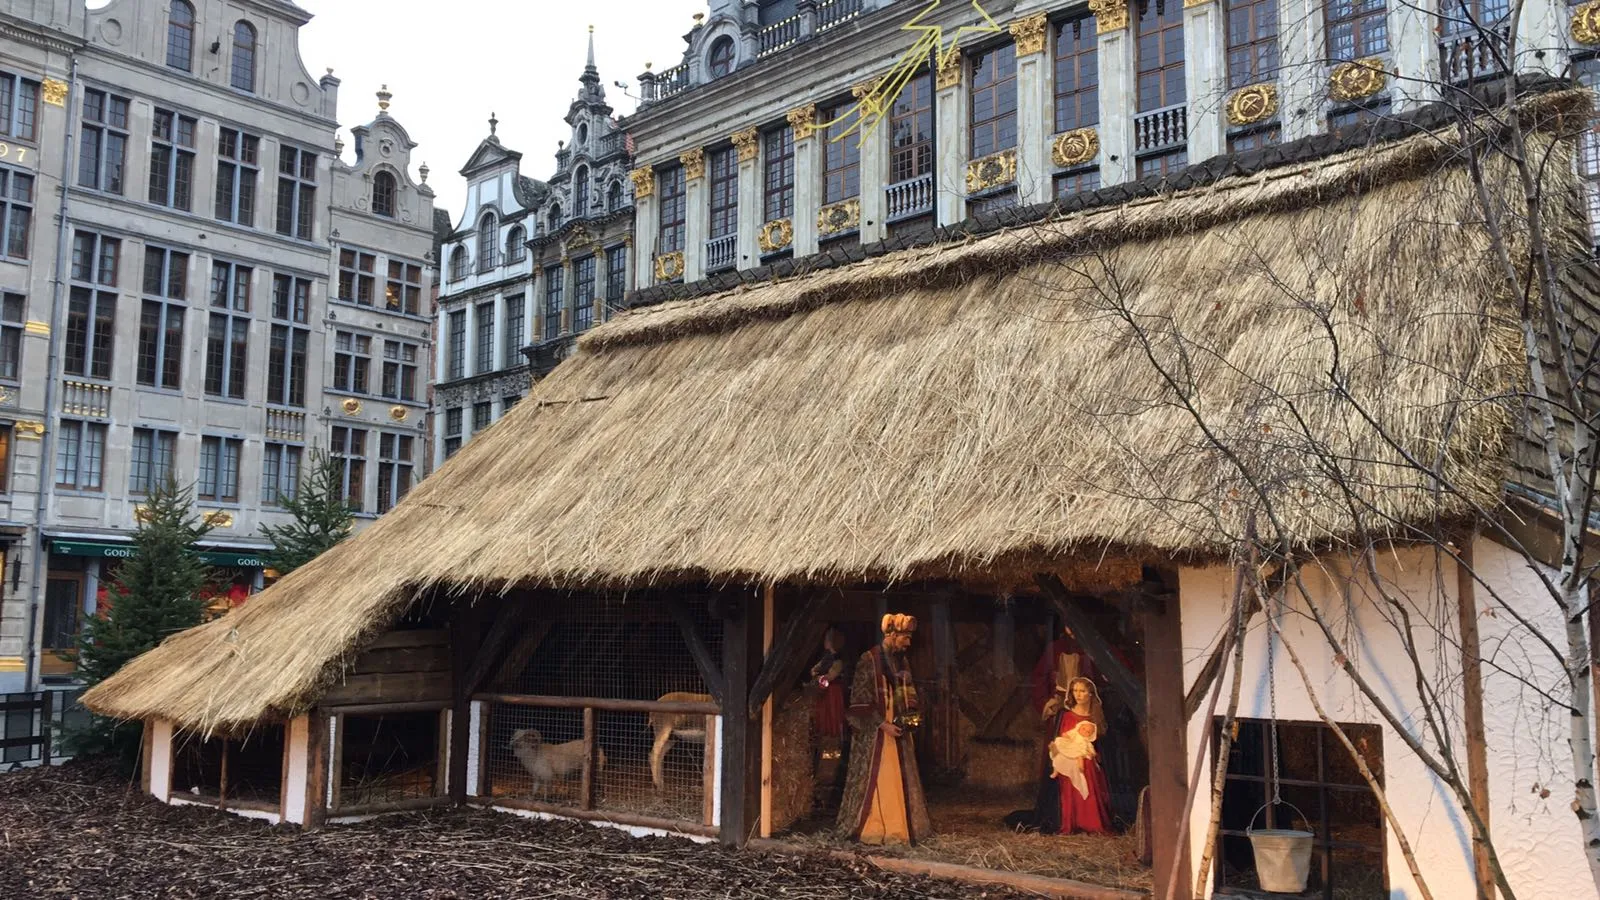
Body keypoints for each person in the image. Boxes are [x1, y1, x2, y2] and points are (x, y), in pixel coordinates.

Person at [836, 614, 932, 845]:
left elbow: (906, 693)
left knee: (899, 781)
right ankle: (873, 828)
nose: (908, 643)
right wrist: (882, 724)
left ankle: (899, 828)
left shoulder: (901, 661)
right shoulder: (869, 659)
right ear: (892, 635)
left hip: (897, 731)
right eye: (905, 638)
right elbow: (859, 698)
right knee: (878, 780)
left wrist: (908, 710)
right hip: (876, 734)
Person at [1044, 677, 1112, 834]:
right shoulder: (1066, 716)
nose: (1078, 695)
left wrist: (1092, 754)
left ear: (1090, 693)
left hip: (1087, 755)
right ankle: (1071, 822)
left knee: (1088, 767)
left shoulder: (1095, 717)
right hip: (1069, 754)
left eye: (1082, 691)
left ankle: (1091, 822)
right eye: (1075, 691)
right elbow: (1062, 738)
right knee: (1068, 766)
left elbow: (1100, 742)